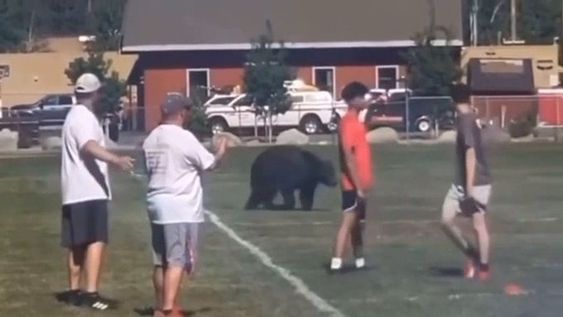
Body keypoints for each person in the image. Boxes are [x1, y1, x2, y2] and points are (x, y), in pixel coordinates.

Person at [142, 94, 229, 317]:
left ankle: (159, 308)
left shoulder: (151, 138)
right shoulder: (184, 137)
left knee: (160, 261)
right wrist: (221, 151)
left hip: (156, 202)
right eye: (187, 111)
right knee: (177, 260)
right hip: (179, 206)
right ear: (181, 113)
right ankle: (170, 309)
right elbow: (209, 164)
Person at [56, 73, 135, 310]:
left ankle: (74, 291)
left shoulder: (73, 116)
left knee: (76, 243)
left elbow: (97, 143)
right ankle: (91, 294)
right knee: (96, 240)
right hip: (89, 190)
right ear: (94, 94)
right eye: (99, 92)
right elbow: (89, 146)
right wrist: (116, 160)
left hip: (74, 191)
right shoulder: (84, 118)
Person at [441, 84, 492, 282]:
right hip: (461, 182)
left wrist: (469, 189)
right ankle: (473, 255)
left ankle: (484, 269)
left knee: (478, 225)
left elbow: (471, 154)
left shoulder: (466, 121)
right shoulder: (466, 118)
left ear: (452, 101)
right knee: (445, 221)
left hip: (477, 182)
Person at [330, 82, 374, 272]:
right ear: (354, 100)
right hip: (352, 185)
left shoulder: (357, 123)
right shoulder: (348, 123)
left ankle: (359, 261)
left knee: (358, 225)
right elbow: (349, 158)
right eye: (363, 97)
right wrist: (358, 188)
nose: (366, 100)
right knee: (348, 223)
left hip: (360, 184)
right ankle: (336, 263)